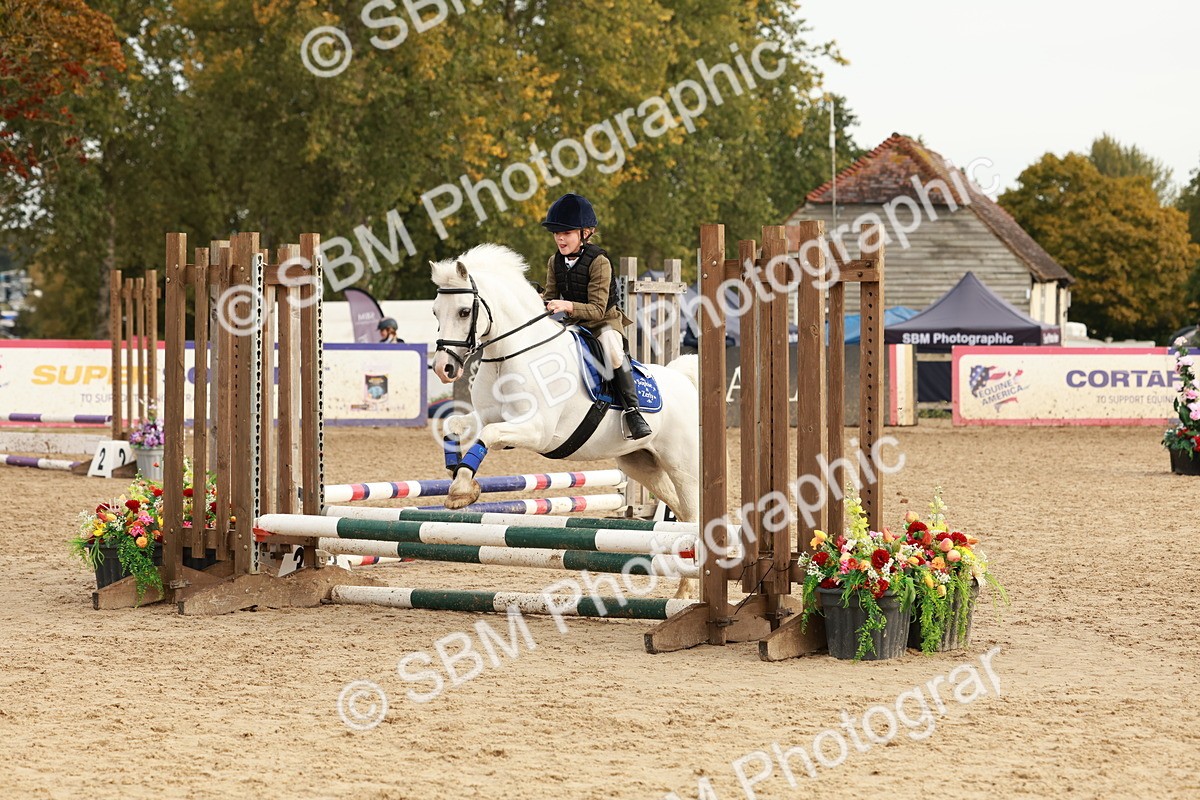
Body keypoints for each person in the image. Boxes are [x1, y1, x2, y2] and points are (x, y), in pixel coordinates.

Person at [540, 192, 651, 440]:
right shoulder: (553, 261)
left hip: (603, 322)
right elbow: (550, 297)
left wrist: (565, 305)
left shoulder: (599, 261)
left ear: (585, 233)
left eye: (566, 233)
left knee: (612, 348)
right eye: (557, 233)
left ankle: (633, 412)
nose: (559, 238)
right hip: (572, 324)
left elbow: (597, 309)